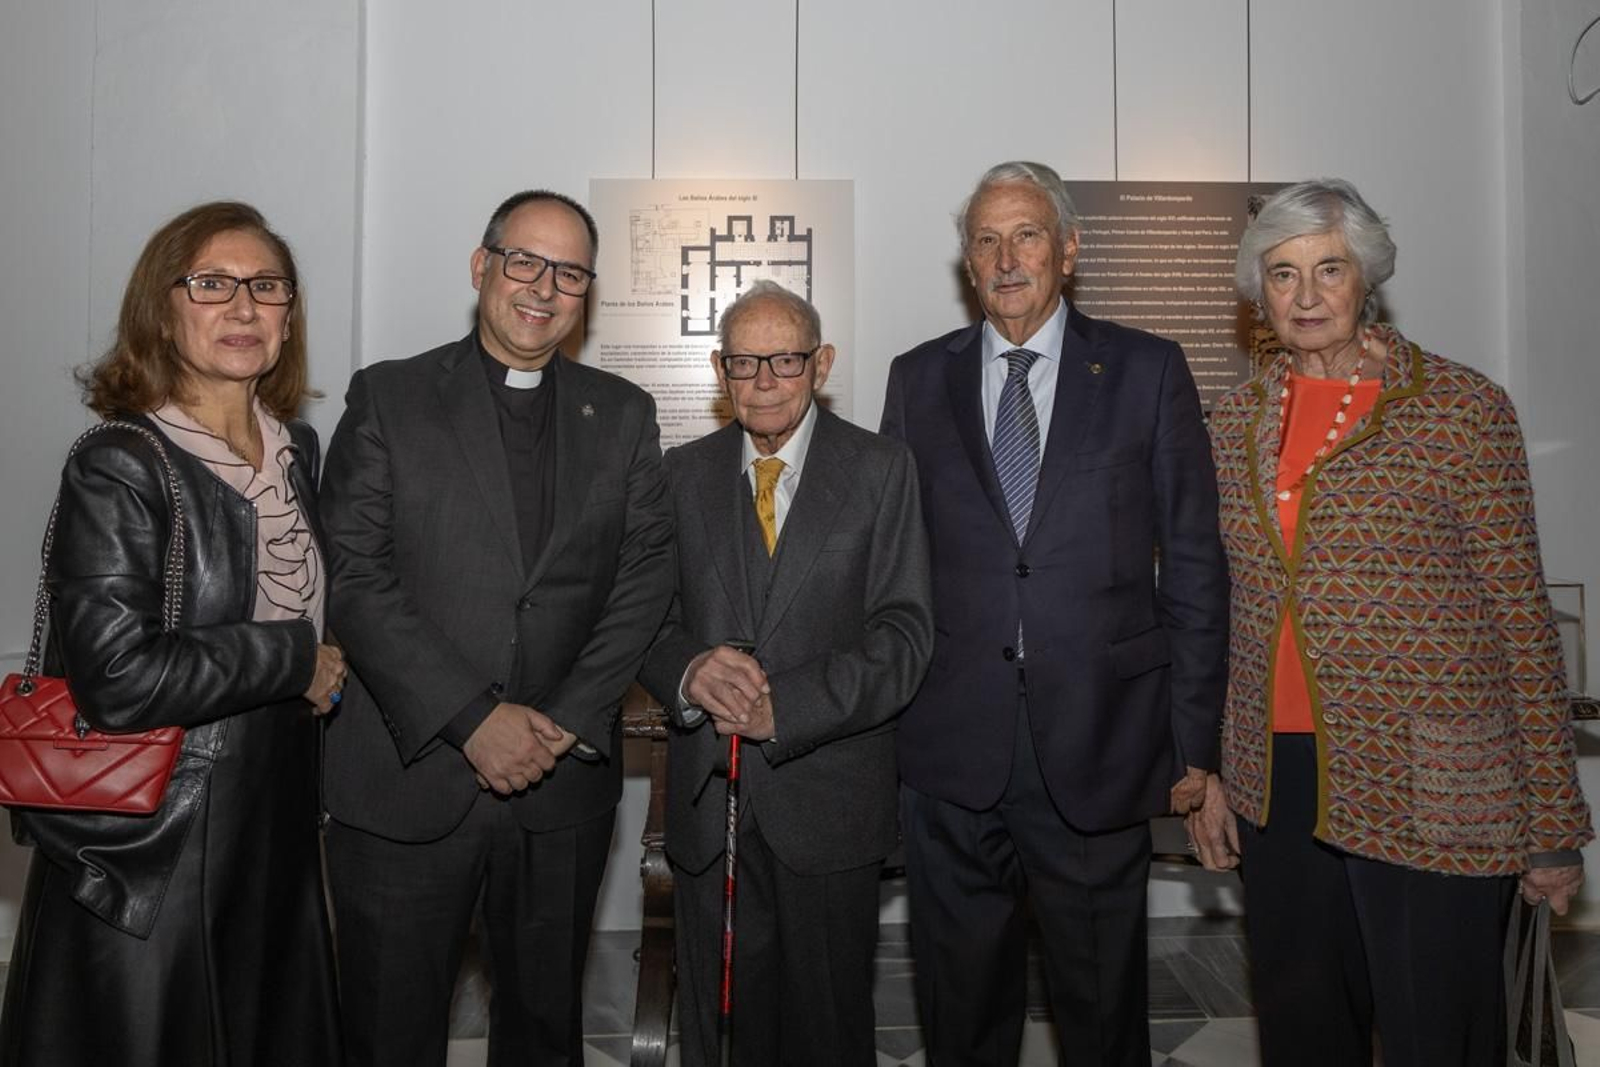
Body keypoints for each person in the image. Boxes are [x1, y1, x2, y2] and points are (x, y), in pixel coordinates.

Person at [1185, 177, 1592, 1066]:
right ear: (1259, 290)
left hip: (1431, 776)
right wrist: (1209, 771)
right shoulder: (1228, 422)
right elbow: (1211, 612)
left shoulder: (1461, 410)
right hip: (1277, 778)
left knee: (1435, 1029)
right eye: (1282, 274)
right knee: (1301, 1025)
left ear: (1366, 275)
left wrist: (1554, 821)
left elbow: (1522, 618)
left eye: (1328, 269)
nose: (1305, 295)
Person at [880, 161, 1229, 1065]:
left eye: (1027, 234)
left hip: (1101, 741)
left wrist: (1196, 748)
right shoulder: (918, 380)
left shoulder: (1148, 369)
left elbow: (1193, 563)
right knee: (961, 1012)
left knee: (1103, 1011)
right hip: (952, 747)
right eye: (986, 240)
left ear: (1069, 249)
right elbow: (890, 565)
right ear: (966, 262)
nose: (1006, 258)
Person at [319, 189, 675, 1067]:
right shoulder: (391, 396)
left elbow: (644, 579)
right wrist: (474, 718)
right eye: (524, 261)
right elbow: (356, 577)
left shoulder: (622, 413)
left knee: (545, 1031)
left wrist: (559, 720)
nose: (543, 288)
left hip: (558, 795)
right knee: (388, 1033)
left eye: (570, 272)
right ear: (482, 267)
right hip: (408, 780)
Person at [0, 201, 344, 1066]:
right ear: (164, 307)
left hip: (274, 828)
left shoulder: (296, 448)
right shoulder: (120, 460)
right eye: (213, 284)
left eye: (267, 287)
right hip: (156, 846)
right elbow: (117, 673)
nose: (243, 308)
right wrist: (293, 657)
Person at [638, 280, 933, 1066]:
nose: (764, 380)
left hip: (830, 805)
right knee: (721, 1038)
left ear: (822, 362)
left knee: (829, 1035)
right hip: (713, 809)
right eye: (744, 362)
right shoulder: (681, 474)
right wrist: (691, 668)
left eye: (786, 360)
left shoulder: (880, 469)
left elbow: (905, 636)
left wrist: (787, 709)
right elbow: (648, 624)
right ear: (719, 369)